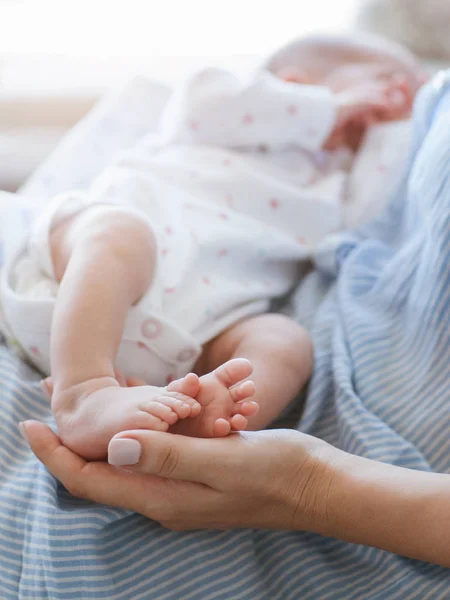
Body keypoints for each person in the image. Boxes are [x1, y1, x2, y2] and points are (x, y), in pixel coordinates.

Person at [0, 33, 423, 461]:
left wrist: (392, 130)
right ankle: (84, 392)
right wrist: (329, 110)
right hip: (77, 281)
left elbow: (377, 213)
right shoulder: (224, 121)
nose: (398, 99)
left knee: (286, 341)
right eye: (388, 83)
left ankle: (209, 426)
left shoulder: (336, 189)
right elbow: (205, 97)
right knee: (120, 234)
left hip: (196, 337)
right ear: (295, 82)